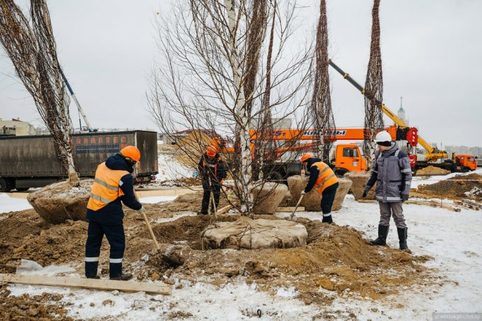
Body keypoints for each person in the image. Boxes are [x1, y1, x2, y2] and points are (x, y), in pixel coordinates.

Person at [85, 145, 143, 280]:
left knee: (93, 243)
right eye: (134, 162)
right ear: (129, 160)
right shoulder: (124, 176)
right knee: (117, 244)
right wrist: (138, 207)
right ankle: (116, 274)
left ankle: (90, 274)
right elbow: (127, 199)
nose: (134, 165)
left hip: (93, 210)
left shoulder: (102, 165)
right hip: (109, 214)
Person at [362, 130, 412, 251]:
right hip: (382, 192)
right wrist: (367, 188)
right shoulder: (379, 155)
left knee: (398, 217)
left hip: (395, 193)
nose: (378, 147)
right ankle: (381, 239)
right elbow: (374, 173)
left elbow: (407, 175)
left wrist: (405, 191)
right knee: (384, 216)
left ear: (385, 143)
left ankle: (403, 244)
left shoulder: (400, 155)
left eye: (379, 144)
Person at [300, 153, 339, 224]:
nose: (304, 165)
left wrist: (305, 190)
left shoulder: (314, 166)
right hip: (333, 183)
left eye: (304, 163)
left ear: (307, 161)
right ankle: (328, 220)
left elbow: (312, 180)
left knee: (325, 204)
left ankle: (327, 222)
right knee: (327, 204)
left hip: (329, 184)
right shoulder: (319, 163)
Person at [198, 145, 227, 215]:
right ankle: (204, 211)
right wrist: (204, 171)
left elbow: (223, 171)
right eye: (209, 156)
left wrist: (221, 179)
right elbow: (200, 167)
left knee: (216, 195)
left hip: (216, 179)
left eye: (212, 156)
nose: (210, 157)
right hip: (206, 178)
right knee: (206, 194)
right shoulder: (204, 158)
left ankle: (213, 210)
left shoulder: (219, 160)